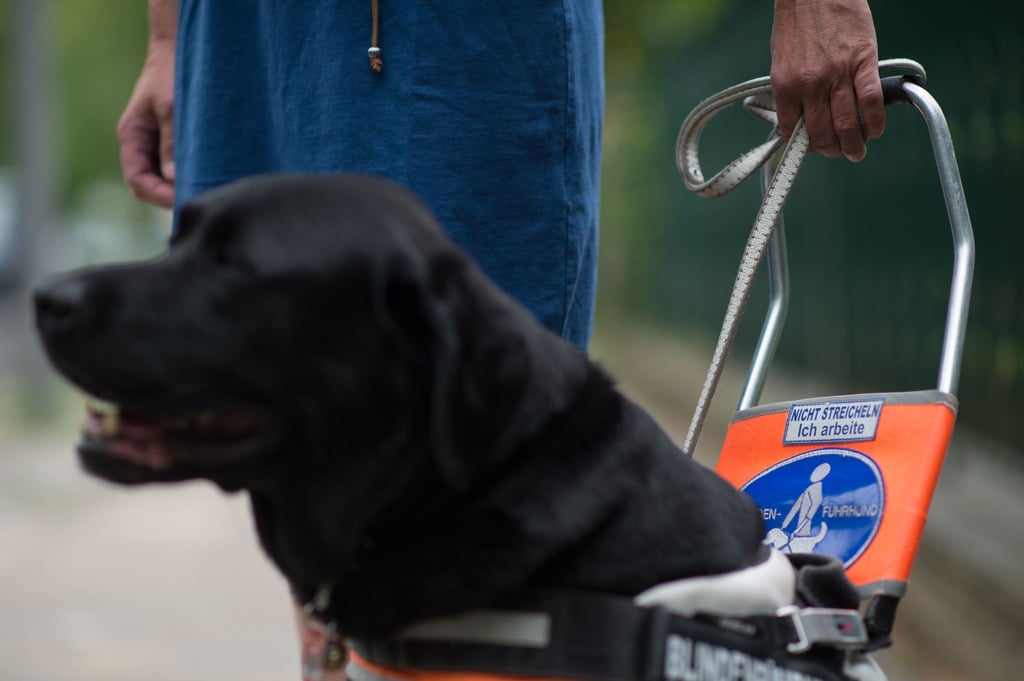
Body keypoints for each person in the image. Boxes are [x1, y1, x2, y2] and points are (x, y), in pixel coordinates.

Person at [117, 1, 885, 678]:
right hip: (242, 28)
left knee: (476, 467)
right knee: (305, 446)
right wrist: (165, 37)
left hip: (457, 38)